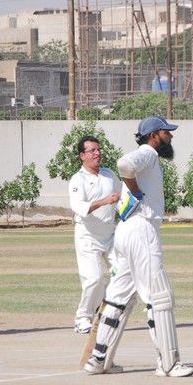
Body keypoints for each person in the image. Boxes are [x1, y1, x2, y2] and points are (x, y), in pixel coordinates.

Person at [83, 116, 193, 377]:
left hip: (126, 232)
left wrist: (134, 190)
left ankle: (98, 360)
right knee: (159, 295)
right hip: (142, 230)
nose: (171, 136)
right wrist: (134, 191)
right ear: (154, 135)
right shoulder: (148, 153)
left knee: (118, 296)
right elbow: (124, 164)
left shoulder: (149, 158)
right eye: (166, 132)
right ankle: (169, 363)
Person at [68, 136, 122, 334]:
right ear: (82, 156)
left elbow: (121, 198)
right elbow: (79, 207)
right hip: (87, 237)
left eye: (99, 150)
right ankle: (82, 318)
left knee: (122, 274)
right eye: (92, 151)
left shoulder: (109, 174)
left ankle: (106, 310)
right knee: (94, 279)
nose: (97, 153)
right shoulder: (78, 179)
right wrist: (105, 201)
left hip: (110, 235)